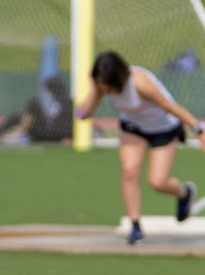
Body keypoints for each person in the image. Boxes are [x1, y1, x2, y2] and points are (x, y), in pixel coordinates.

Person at [76, 50, 204, 245]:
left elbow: (172, 107)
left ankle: (184, 194)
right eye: (102, 85)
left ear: (118, 78)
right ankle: (135, 227)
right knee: (129, 170)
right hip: (134, 127)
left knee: (158, 182)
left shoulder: (140, 83)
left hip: (163, 128)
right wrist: (95, 88)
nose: (106, 91)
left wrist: (199, 129)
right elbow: (83, 114)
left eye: (107, 86)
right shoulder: (102, 86)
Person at [0, 76, 73, 145]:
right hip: (50, 131)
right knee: (16, 116)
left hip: (51, 133)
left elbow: (65, 123)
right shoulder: (62, 100)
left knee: (33, 103)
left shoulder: (66, 102)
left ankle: (17, 133)